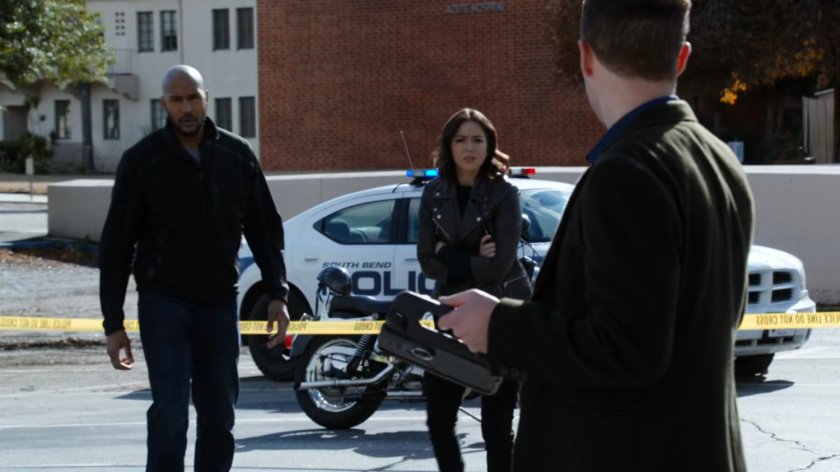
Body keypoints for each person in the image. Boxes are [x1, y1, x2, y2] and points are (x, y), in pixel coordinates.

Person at [436, 1, 754, 471]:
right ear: (682, 56)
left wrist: (498, 324)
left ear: (585, 56)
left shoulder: (627, 170)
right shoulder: (719, 159)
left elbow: (628, 347)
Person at [99, 64, 290, 472]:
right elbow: (116, 245)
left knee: (219, 413)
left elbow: (264, 228)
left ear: (206, 98)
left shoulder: (237, 155)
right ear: (164, 104)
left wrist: (278, 293)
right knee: (170, 413)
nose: (186, 107)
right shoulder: (142, 161)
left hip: (219, 303)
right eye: (176, 99)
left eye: (193, 98)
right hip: (163, 301)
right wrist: (113, 323)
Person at [417, 108, 532, 472]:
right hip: (451, 313)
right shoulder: (434, 193)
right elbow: (425, 261)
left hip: (500, 313)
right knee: (439, 419)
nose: (469, 148)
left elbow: (499, 266)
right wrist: (472, 256)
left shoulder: (505, 193)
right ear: (448, 145)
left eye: (478, 140)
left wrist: (447, 252)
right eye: (461, 140)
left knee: (496, 427)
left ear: (490, 146)